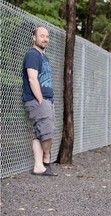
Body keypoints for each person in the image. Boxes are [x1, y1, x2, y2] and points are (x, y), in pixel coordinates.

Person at [22, 26, 57, 176]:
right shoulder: (32, 54)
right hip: (37, 101)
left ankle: (38, 166)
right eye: (41, 36)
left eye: (47, 36)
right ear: (34, 37)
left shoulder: (44, 56)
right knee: (47, 134)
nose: (45, 39)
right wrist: (41, 100)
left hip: (47, 101)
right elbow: (32, 79)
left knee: (40, 134)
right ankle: (46, 160)